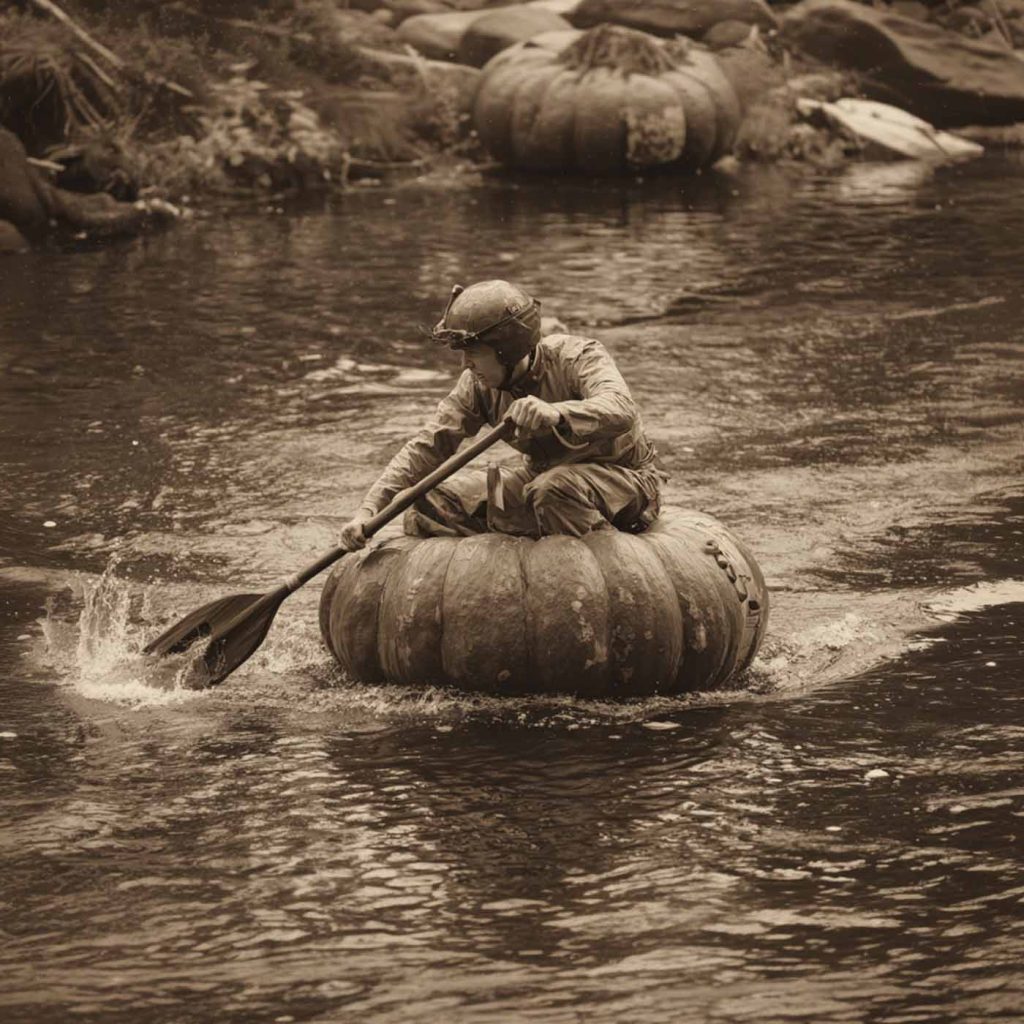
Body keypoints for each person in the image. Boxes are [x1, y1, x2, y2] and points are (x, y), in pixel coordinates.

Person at [338, 279, 664, 551]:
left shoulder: (578, 356)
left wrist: (556, 413)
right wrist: (369, 509)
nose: (465, 365)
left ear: (507, 350)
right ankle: (519, 561)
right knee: (432, 500)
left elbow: (621, 409)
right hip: (540, 480)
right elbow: (428, 445)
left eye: (473, 354)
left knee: (553, 490)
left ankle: (600, 555)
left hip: (625, 480)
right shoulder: (477, 385)